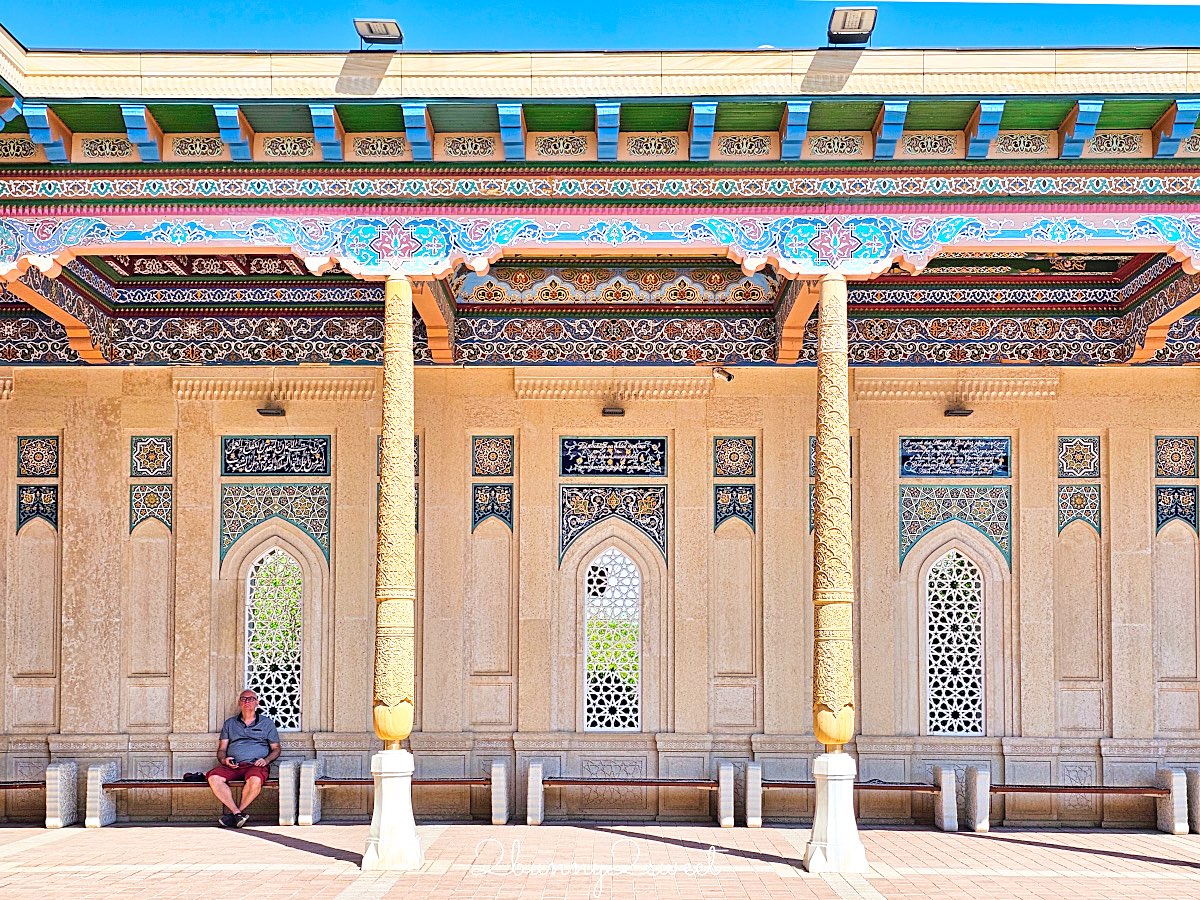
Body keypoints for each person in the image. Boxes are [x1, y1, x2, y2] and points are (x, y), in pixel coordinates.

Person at [206, 689, 281, 828]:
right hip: (233, 766)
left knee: (255, 780)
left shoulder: (267, 723)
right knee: (214, 777)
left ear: (257, 703)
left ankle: (235, 814)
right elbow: (222, 749)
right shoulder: (230, 723)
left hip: (256, 765)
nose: (247, 702)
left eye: (251, 699)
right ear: (239, 702)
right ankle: (237, 813)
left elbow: (276, 749)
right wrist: (224, 760)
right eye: (244, 699)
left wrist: (266, 760)